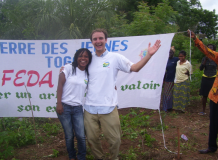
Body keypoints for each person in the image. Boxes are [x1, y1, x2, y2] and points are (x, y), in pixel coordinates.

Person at [83, 28, 161, 160]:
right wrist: (65, 69)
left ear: (106, 40)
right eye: (95, 39)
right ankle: (99, 157)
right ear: (91, 42)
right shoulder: (88, 59)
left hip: (108, 107)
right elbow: (75, 69)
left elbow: (134, 68)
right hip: (89, 108)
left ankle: (113, 158)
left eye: (101, 38)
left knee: (115, 140)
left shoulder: (115, 57)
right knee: (91, 139)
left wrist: (149, 55)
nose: (98, 41)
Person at [56, 48, 92, 160]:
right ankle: (72, 156)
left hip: (78, 108)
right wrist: (59, 103)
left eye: (86, 56)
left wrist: (112, 85)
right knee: (69, 136)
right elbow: (60, 84)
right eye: (81, 56)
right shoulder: (69, 68)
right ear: (76, 57)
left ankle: (81, 157)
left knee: (81, 136)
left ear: (89, 59)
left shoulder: (88, 73)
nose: (83, 59)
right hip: (64, 106)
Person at [188, 30, 218, 154]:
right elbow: (207, 51)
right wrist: (195, 38)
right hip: (216, 96)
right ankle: (211, 147)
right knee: (214, 123)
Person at [198, 44, 217, 115]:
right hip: (205, 78)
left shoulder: (215, 58)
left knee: (213, 95)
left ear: (213, 49)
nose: (209, 49)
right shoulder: (204, 58)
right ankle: (203, 111)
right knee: (204, 95)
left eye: (211, 48)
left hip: (213, 79)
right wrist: (205, 60)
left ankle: (213, 111)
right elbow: (201, 68)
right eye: (208, 48)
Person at [162, 47, 179, 112]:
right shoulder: (166, 60)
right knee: (166, 93)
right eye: (169, 52)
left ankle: (171, 107)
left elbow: (184, 63)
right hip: (168, 79)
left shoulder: (176, 59)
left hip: (175, 78)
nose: (170, 54)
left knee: (173, 93)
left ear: (173, 53)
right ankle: (166, 107)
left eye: (171, 52)